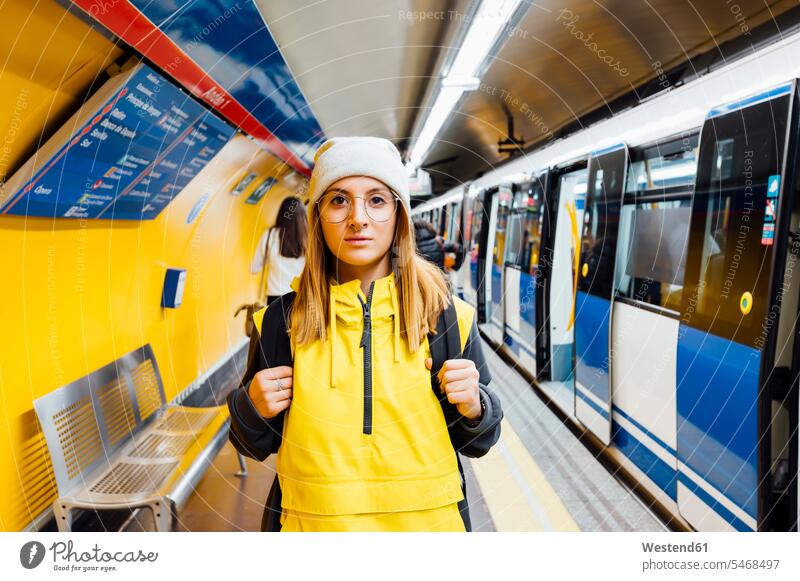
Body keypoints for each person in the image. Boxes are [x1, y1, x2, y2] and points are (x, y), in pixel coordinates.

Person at [227, 136, 502, 532]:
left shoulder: (445, 317)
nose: (358, 218)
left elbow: (479, 440)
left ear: (398, 214)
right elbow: (252, 443)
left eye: (376, 200)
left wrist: (476, 407)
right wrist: (251, 407)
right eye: (338, 200)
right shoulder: (281, 322)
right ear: (318, 216)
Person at [250, 196, 307, 305]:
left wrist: (272, 259)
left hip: (274, 299)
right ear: (302, 216)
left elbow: (254, 268)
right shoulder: (308, 238)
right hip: (300, 297)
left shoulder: (269, 235)